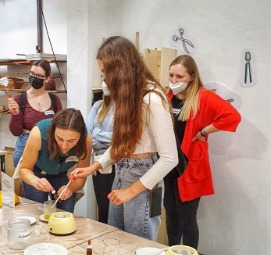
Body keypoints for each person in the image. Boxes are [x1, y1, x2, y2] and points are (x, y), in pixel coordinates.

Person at [73, 36, 178, 241]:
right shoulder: (130, 96)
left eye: (105, 73)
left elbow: (169, 158)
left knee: (140, 245)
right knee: (116, 239)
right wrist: (94, 166)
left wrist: (130, 191)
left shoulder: (152, 99)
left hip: (143, 175)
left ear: (119, 69)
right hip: (123, 170)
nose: (104, 79)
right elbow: (123, 145)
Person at [164, 55, 241, 249]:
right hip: (169, 163)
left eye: (179, 77)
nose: (174, 81)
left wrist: (204, 131)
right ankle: (172, 251)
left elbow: (232, 116)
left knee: (187, 216)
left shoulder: (203, 97)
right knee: (171, 212)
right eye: (171, 75)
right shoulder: (168, 95)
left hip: (189, 164)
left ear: (191, 76)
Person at [19, 108, 92, 213]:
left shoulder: (86, 140)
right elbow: (24, 169)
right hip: (37, 171)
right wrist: (35, 181)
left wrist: (70, 188)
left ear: (80, 137)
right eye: (60, 138)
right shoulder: (38, 133)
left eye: (71, 141)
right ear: (53, 131)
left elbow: (81, 177)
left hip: (64, 173)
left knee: (66, 209)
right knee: (37, 209)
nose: (64, 146)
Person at [8, 59, 63, 167]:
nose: (34, 78)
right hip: (25, 148)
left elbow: (60, 127)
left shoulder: (54, 100)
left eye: (39, 76)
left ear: (47, 78)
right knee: (29, 182)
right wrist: (15, 115)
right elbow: (16, 132)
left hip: (48, 149)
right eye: (32, 74)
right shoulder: (20, 99)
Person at [86, 85, 115, 223]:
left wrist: (97, 134)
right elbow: (87, 132)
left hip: (119, 163)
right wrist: (106, 138)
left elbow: (120, 138)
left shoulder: (127, 107)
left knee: (116, 211)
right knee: (103, 209)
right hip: (98, 163)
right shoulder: (98, 105)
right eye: (103, 78)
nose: (105, 83)